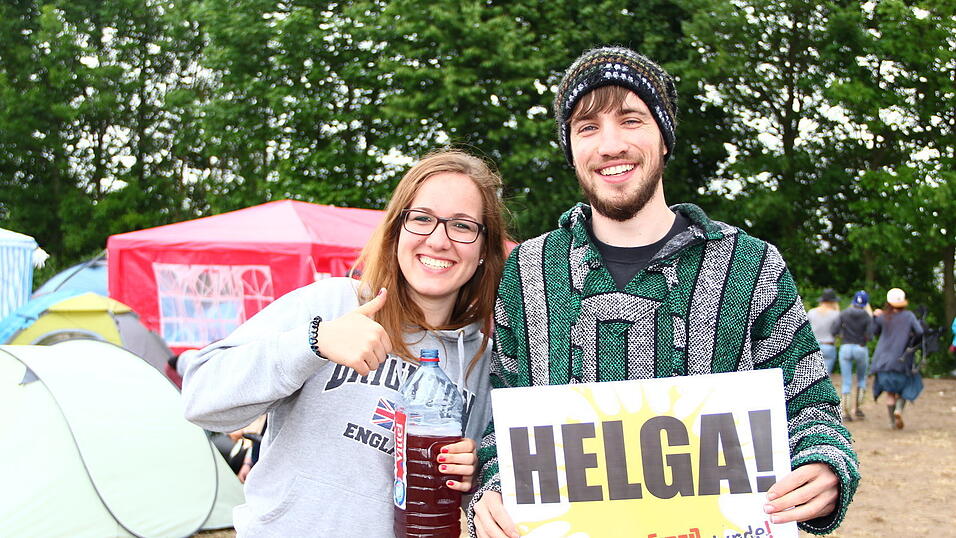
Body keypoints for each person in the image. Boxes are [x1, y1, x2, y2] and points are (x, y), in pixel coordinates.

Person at [469, 47, 858, 538]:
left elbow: (810, 407)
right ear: (571, 150)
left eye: (631, 120)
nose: (610, 145)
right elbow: (503, 428)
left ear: (665, 137)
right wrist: (494, 492)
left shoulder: (752, 265)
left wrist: (825, 467)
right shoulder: (527, 272)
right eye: (587, 128)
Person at [178, 149, 510, 536]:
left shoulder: (482, 360)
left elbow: (467, 495)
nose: (439, 240)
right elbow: (200, 400)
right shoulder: (331, 304)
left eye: (462, 226)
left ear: (484, 249)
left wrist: (471, 477)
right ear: (396, 229)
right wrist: (312, 343)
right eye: (421, 219)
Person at [871, 287, 924, 430]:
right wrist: (912, 340)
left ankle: (892, 422)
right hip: (902, 359)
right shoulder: (909, 316)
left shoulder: (883, 316)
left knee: (889, 393)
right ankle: (899, 409)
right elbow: (920, 331)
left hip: (883, 361)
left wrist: (875, 317)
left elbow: (873, 331)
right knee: (907, 386)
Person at [834, 291, 874, 420]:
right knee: (862, 378)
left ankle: (845, 411)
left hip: (846, 347)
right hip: (860, 348)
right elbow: (870, 336)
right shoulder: (867, 316)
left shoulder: (844, 313)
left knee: (846, 380)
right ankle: (858, 408)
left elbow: (834, 330)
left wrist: (842, 335)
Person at [807, 288, 841, 374]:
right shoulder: (836, 314)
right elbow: (838, 331)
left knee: (813, 375)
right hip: (829, 346)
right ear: (833, 302)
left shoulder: (811, 312)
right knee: (826, 377)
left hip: (814, 345)